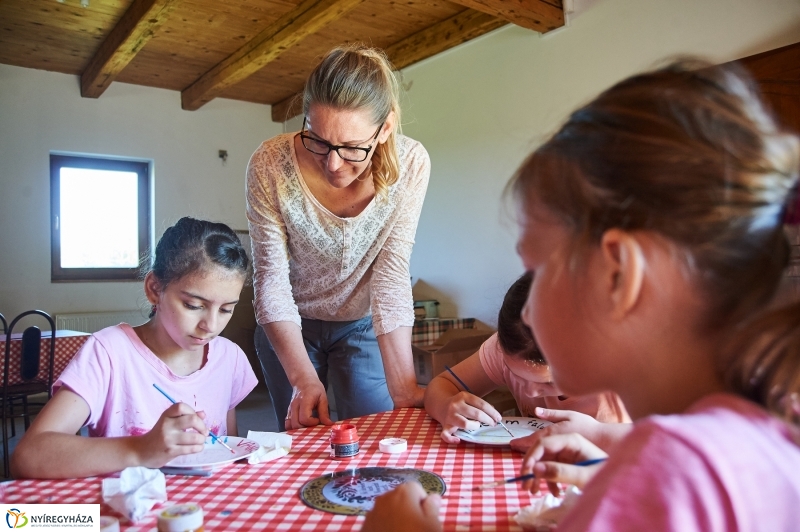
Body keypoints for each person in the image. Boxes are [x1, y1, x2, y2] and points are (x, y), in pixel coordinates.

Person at [362, 60, 800, 532]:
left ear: (618, 276)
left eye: (537, 271)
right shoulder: (761, 433)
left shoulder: (671, 476)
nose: (527, 311)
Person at [246, 44, 430, 431]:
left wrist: (404, 388)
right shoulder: (270, 162)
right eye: (318, 139)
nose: (332, 164)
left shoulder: (412, 163)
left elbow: (391, 274)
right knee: (301, 439)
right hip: (290, 322)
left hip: (361, 323)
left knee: (375, 433)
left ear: (385, 129)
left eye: (351, 148)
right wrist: (302, 380)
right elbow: (271, 278)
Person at [11, 217, 258, 479]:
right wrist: (140, 449)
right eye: (194, 305)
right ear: (155, 289)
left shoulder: (229, 357)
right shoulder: (108, 353)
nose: (211, 325)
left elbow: (228, 455)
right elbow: (28, 456)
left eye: (226, 309)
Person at [424, 272, 630, 446]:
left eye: (549, 382)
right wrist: (446, 406)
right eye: (516, 374)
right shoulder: (506, 348)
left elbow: (652, 441)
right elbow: (441, 384)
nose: (530, 392)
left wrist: (598, 434)